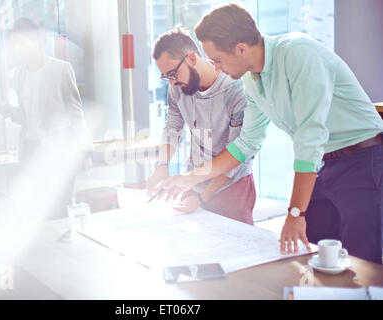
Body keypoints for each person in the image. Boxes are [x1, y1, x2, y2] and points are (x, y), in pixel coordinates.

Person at [161, 3, 383, 264]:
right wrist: (188, 179)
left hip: (364, 158)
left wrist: (295, 212)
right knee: (311, 251)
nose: (217, 68)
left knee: (361, 262)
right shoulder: (251, 80)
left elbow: (309, 136)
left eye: (218, 60)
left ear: (240, 48)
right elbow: (246, 144)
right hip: (326, 163)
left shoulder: (299, 54)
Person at [147, 26, 255, 225]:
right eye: (166, 76)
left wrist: (203, 197)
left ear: (191, 59)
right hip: (195, 180)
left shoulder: (235, 90)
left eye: (173, 73)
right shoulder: (177, 88)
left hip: (231, 187)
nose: (171, 82)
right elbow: (172, 128)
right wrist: (161, 166)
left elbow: (238, 155)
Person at [0, 17, 93, 219]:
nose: (17, 48)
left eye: (21, 42)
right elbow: (26, 117)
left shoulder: (61, 69)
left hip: (57, 150)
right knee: (39, 209)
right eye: (14, 44)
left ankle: (67, 249)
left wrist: (85, 150)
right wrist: (10, 112)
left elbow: (76, 113)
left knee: (59, 208)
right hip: (31, 151)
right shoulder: (19, 74)